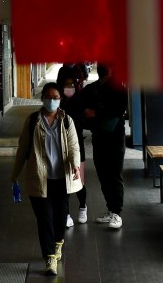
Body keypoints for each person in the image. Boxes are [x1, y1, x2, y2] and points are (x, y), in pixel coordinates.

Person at [10, 82, 83, 276]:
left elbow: (74, 145)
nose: (52, 101)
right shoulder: (33, 120)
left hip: (61, 179)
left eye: (56, 97)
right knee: (44, 219)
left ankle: (58, 242)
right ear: (43, 98)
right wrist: (14, 174)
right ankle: (49, 257)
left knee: (60, 217)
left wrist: (75, 164)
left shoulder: (66, 120)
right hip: (39, 179)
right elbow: (23, 149)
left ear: (60, 99)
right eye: (49, 97)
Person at [80, 62, 128, 229]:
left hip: (115, 138)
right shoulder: (92, 88)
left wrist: (96, 113)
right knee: (102, 173)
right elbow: (80, 105)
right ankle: (110, 209)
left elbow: (120, 109)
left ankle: (117, 213)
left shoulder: (118, 88)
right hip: (99, 136)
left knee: (114, 173)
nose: (103, 67)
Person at [56, 70, 88, 227]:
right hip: (59, 146)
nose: (69, 87)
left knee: (79, 179)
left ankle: (83, 207)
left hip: (77, 145)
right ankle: (66, 213)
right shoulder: (57, 101)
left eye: (72, 85)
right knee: (64, 181)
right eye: (66, 85)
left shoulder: (80, 100)